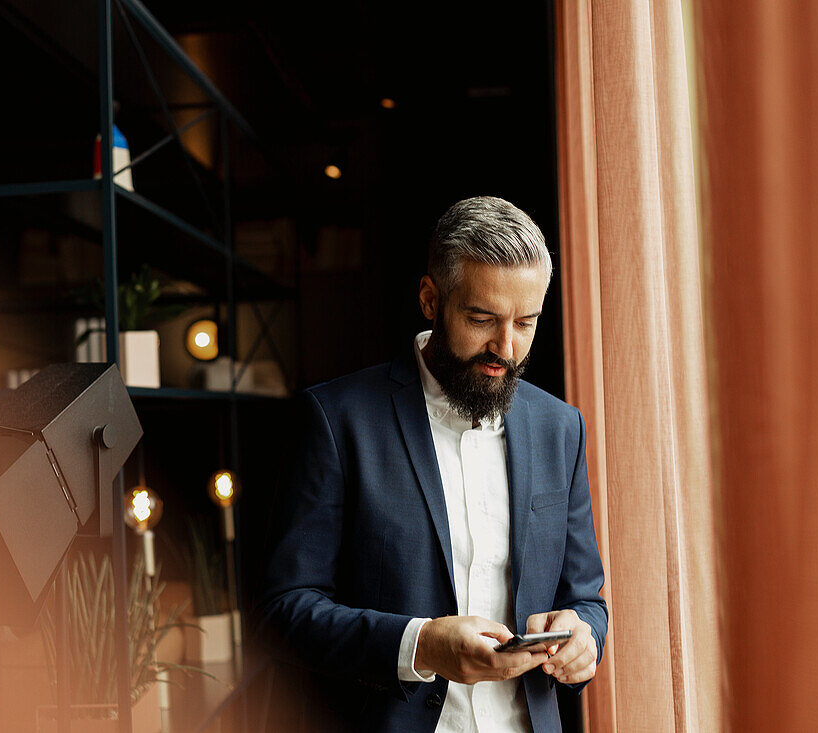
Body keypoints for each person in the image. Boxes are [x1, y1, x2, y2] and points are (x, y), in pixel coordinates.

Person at [257, 197, 608, 732]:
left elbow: (585, 598)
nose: (506, 348)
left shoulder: (561, 428)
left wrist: (585, 637)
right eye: (481, 319)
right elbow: (285, 610)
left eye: (527, 322)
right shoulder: (336, 419)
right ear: (430, 299)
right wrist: (420, 645)